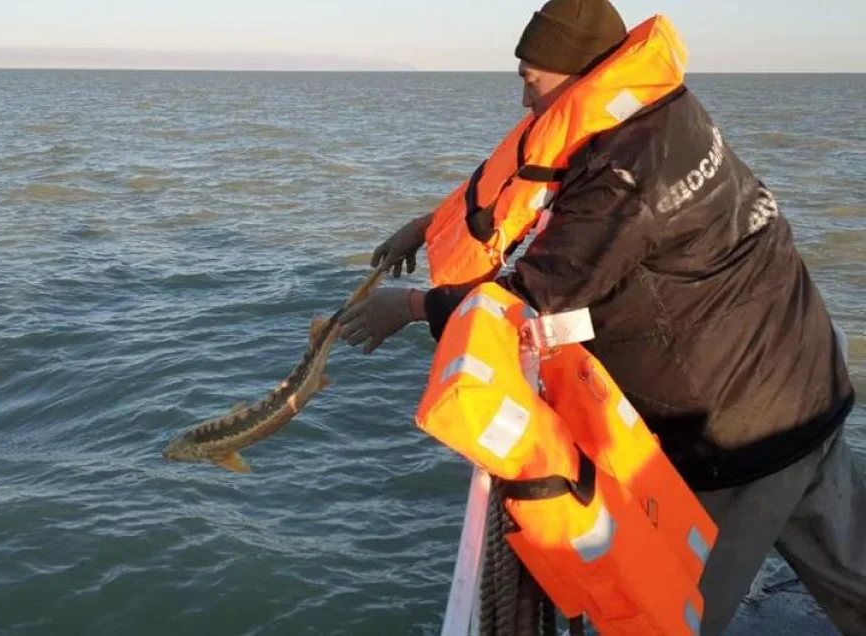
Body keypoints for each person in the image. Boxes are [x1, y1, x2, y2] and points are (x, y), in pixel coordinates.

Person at [339, 1, 866, 634]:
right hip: (811, 385)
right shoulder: (666, 118)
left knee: (673, 615)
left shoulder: (624, 172)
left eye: (531, 78)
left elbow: (540, 292)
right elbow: (551, 192)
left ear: (579, 75)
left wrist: (408, 307)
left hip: (739, 436)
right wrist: (430, 228)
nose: (523, 98)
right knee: (853, 573)